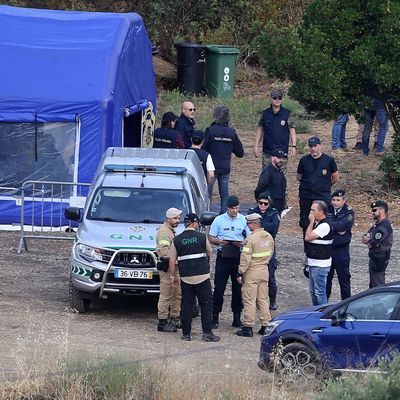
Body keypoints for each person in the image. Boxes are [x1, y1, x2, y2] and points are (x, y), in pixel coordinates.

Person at [168, 213, 220, 342]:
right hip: (202, 276)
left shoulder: (177, 239)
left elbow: (171, 260)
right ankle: (207, 333)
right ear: (195, 223)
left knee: (186, 305)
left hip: (186, 277)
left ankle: (186, 334)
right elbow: (209, 252)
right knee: (206, 304)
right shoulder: (202, 237)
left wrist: (173, 276)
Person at [208, 195, 251, 329]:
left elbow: (250, 237)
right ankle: (215, 316)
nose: (235, 211)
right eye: (233, 208)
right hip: (223, 255)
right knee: (219, 288)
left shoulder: (243, 220)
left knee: (238, 288)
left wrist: (243, 243)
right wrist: (219, 242)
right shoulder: (219, 220)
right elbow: (211, 237)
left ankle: (236, 317)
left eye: (237, 208)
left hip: (238, 255)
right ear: (228, 208)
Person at [236, 213, 274, 337]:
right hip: (264, 270)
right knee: (263, 299)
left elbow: (245, 258)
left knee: (249, 299)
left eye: (248, 224)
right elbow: (271, 253)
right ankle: (265, 325)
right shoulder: (268, 237)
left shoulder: (251, 239)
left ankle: (248, 326)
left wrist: (240, 272)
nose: (247, 226)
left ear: (252, 224)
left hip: (252, 272)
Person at [204, 106, 244, 213]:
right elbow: (240, 152)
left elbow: (204, 148)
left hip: (211, 168)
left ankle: (207, 214)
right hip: (225, 167)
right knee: (224, 194)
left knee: (207, 193)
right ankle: (224, 215)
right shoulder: (231, 132)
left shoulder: (210, 130)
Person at [297, 136, 339, 235]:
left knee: (322, 221)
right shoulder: (304, 160)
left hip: (322, 196)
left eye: (315, 146)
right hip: (306, 197)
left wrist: (324, 185)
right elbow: (299, 177)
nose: (313, 149)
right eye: (311, 146)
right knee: (305, 221)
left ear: (320, 146)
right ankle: (307, 245)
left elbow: (335, 177)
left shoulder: (329, 160)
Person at [248, 192, 280, 310]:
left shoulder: (273, 213)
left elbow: (274, 227)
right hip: (254, 246)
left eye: (265, 203)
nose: (262, 205)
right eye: (260, 203)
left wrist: (259, 227)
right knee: (252, 275)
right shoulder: (252, 211)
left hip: (267, 246)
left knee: (270, 275)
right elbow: (247, 226)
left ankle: (272, 301)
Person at [253, 88, 297, 171]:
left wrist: (294, 146)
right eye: (275, 98)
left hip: (282, 151)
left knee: (281, 178)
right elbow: (260, 129)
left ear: (282, 99)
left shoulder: (287, 114)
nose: (277, 100)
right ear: (271, 98)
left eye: (279, 98)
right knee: (266, 177)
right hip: (268, 152)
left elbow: (292, 130)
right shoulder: (265, 113)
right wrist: (256, 145)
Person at [156, 207, 182, 332]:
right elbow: (165, 252)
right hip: (167, 267)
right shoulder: (164, 232)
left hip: (174, 266)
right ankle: (162, 321)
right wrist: (176, 259)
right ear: (168, 218)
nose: (178, 220)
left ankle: (175, 318)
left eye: (178, 218)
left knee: (177, 294)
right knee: (166, 295)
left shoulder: (171, 230)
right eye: (175, 218)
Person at [326, 190, 354, 300]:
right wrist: (335, 228)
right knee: (327, 278)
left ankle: (347, 302)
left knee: (344, 278)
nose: (335, 202)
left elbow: (342, 226)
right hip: (328, 248)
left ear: (344, 200)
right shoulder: (327, 209)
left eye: (338, 200)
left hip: (341, 250)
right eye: (333, 200)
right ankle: (324, 304)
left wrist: (329, 227)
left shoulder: (348, 212)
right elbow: (322, 224)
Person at [304, 200, 333, 306]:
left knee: (319, 292)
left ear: (321, 212)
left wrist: (311, 222)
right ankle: (316, 311)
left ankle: (322, 313)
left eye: (313, 210)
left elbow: (308, 237)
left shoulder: (324, 225)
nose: (311, 213)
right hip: (313, 262)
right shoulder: (318, 224)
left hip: (320, 265)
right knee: (313, 292)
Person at [362, 200, 393, 288]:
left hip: (380, 257)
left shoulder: (384, 226)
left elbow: (372, 243)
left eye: (375, 210)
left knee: (378, 285)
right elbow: (365, 237)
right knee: (373, 284)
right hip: (375, 257)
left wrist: (369, 241)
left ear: (382, 211)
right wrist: (368, 239)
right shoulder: (378, 225)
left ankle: (380, 301)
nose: (372, 213)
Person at [254, 148, 287, 214]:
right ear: (272, 158)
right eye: (278, 157)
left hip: (279, 205)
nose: (281, 160)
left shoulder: (280, 171)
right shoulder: (268, 172)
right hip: (269, 205)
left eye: (282, 158)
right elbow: (259, 189)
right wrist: (262, 201)